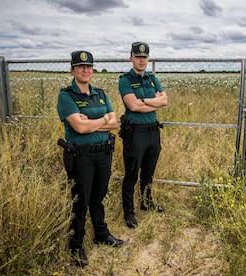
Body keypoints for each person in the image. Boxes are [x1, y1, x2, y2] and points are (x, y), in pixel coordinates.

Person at [57, 50, 123, 267]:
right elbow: (79, 127)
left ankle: (101, 234)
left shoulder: (101, 93)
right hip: (81, 156)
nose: (85, 70)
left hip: (103, 153)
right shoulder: (66, 96)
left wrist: (95, 120)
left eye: (89, 66)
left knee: (98, 196)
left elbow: (114, 123)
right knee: (80, 201)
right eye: (80, 66)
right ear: (72, 69)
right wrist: (103, 118)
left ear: (92, 70)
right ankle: (76, 246)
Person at [118, 42, 168, 228]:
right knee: (132, 173)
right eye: (138, 56)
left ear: (148, 58)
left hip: (153, 131)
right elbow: (133, 106)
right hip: (135, 133)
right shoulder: (125, 80)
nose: (141, 60)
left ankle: (146, 202)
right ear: (131, 57)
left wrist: (144, 100)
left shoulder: (152, 78)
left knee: (148, 172)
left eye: (144, 57)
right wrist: (154, 102)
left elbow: (165, 101)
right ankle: (129, 212)